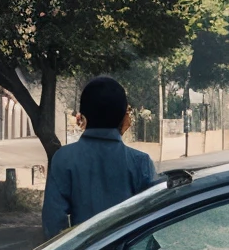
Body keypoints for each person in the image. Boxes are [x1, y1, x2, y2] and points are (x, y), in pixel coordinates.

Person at [41, 76, 156, 235]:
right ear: (124, 117)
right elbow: (151, 224)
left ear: (82, 117)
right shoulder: (141, 163)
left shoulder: (63, 159)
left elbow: (53, 223)